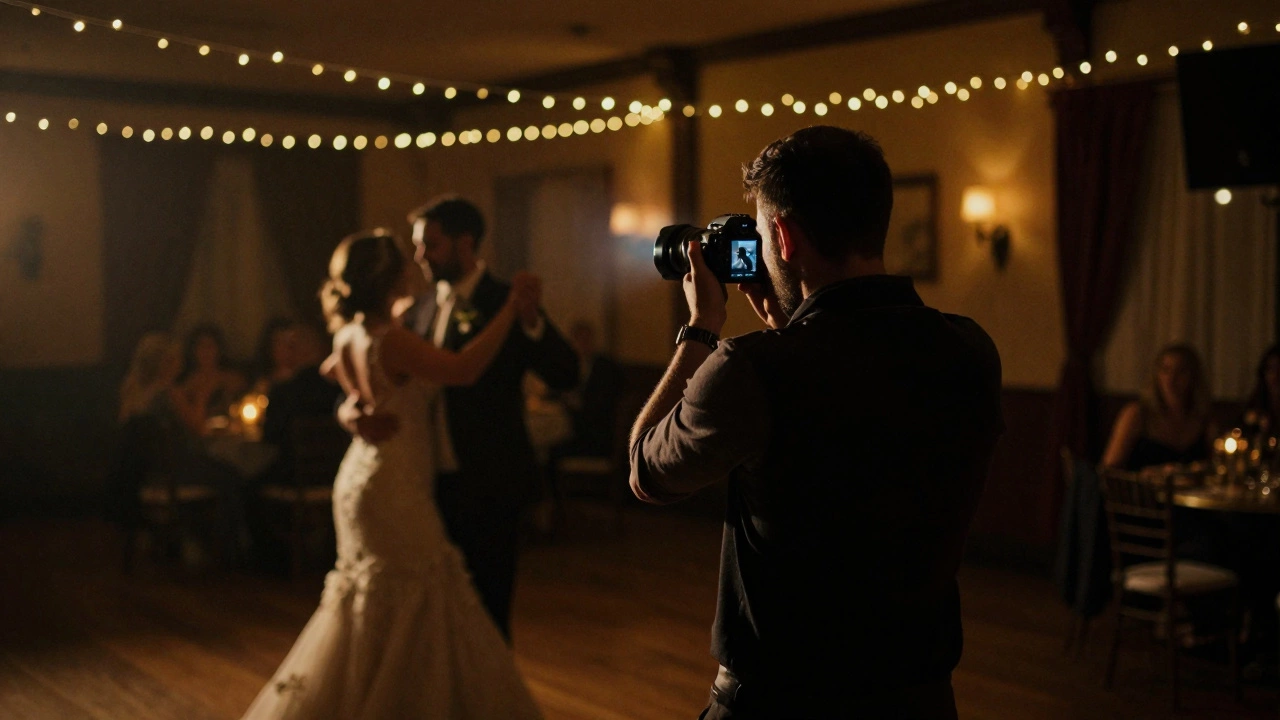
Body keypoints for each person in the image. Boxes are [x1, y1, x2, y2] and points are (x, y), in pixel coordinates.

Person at [628, 126, 1004, 719]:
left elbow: (648, 470)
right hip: (919, 694)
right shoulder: (970, 349)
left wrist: (703, 327)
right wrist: (788, 319)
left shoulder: (753, 369)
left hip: (780, 699)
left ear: (782, 234)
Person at [241, 231, 544, 719]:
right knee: (419, 596)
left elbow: (327, 373)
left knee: (375, 604)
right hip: (393, 485)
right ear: (391, 277)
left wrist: (353, 414)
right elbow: (463, 370)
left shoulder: (350, 334)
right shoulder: (393, 340)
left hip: (362, 473)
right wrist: (509, 311)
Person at [350, 195, 579, 640]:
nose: (419, 256)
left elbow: (565, 373)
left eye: (429, 245)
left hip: (488, 481)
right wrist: (351, 413)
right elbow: (378, 381)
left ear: (464, 242)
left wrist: (532, 322)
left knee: (489, 611)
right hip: (424, 480)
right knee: (438, 614)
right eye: (417, 246)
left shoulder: (506, 300)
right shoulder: (416, 310)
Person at [1100, 343, 1215, 471]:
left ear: (1193, 376)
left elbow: (1215, 466)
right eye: (1166, 370)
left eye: (1181, 371)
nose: (1172, 378)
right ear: (1156, 375)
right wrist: (1144, 476)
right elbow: (1109, 469)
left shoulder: (1204, 418)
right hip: (1142, 489)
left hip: (1190, 491)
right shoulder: (1137, 414)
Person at [179, 323, 248, 428]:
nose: (206, 351)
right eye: (201, 346)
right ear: (193, 351)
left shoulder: (232, 379)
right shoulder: (187, 384)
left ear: (219, 349)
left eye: (210, 346)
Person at [251, 317, 300, 396]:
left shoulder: (305, 381)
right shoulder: (262, 384)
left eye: (291, 344)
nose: (286, 349)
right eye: (280, 343)